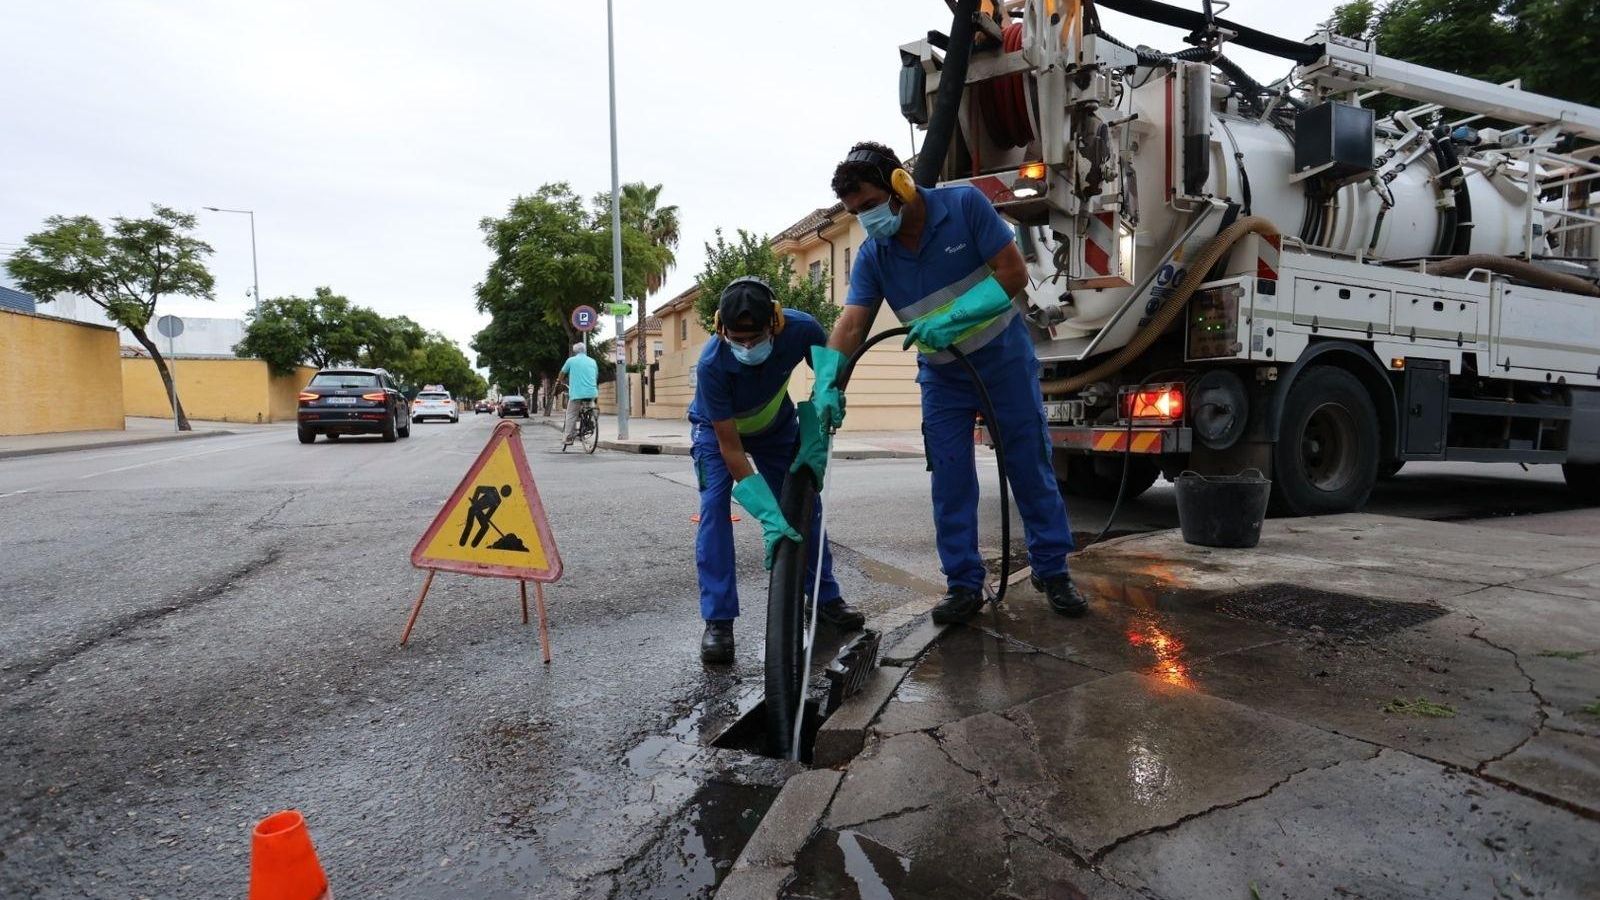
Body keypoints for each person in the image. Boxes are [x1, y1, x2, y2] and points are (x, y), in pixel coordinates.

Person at [809, 141, 1087, 625]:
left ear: (900, 185)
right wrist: (828, 383)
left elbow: (1013, 273)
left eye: (871, 206)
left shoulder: (963, 207)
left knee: (1029, 464)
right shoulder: (876, 254)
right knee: (951, 478)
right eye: (857, 213)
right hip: (942, 376)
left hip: (1003, 360)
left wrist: (952, 318)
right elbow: (852, 322)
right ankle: (963, 584)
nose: (867, 220)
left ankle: (1052, 569)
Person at [690, 276, 865, 664]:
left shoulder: (802, 329)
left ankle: (824, 598)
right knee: (714, 511)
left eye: (755, 339)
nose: (748, 347)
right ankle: (719, 621)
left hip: (775, 426)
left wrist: (824, 408)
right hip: (719, 433)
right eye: (738, 340)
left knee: (805, 506)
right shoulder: (712, 364)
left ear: (776, 322)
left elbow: (828, 375)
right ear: (722, 328)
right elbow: (732, 449)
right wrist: (768, 516)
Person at [557, 342, 599, 447]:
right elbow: (596, 375)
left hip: (576, 394)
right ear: (585, 350)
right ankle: (590, 423)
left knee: (571, 414)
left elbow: (562, 372)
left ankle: (568, 438)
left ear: (575, 351)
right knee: (590, 407)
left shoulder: (571, 360)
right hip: (592, 393)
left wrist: (559, 381)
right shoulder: (593, 361)